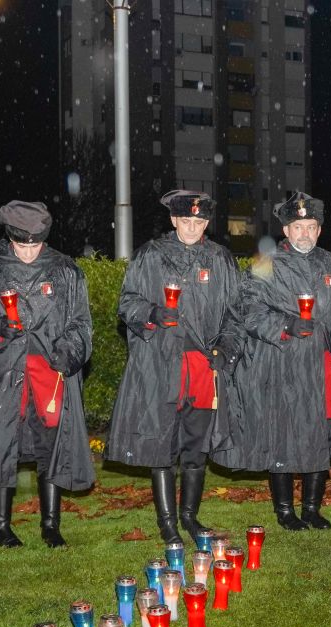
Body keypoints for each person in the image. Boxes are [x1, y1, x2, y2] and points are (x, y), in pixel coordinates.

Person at [214, 192, 331, 530]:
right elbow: (247, 308)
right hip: (281, 362)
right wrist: (285, 325)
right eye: (298, 227)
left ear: (319, 230)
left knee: (318, 434)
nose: (305, 233)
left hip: (322, 363)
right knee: (282, 433)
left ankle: (311, 508)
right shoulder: (267, 263)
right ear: (286, 230)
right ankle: (284, 511)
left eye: (311, 227)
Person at [0, 201, 94, 547]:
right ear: (11, 238)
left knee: (52, 445)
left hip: (48, 374)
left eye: (35, 245)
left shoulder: (65, 269)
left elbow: (81, 323)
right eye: (22, 245)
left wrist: (70, 351)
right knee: (3, 444)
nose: (29, 252)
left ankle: (50, 524)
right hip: (4, 373)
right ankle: (1, 526)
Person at [110, 190, 242, 544]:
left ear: (207, 223)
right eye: (186, 220)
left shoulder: (221, 260)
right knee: (163, 446)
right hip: (162, 365)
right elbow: (127, 304)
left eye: (199, 222)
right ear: (173, 219)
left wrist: (226, 348)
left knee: (196, 447)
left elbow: (235, 315)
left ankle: (190, 518)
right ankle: (167, 522)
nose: (192, 227)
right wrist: (152, 314)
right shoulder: (150, 255)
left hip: (202, 366)